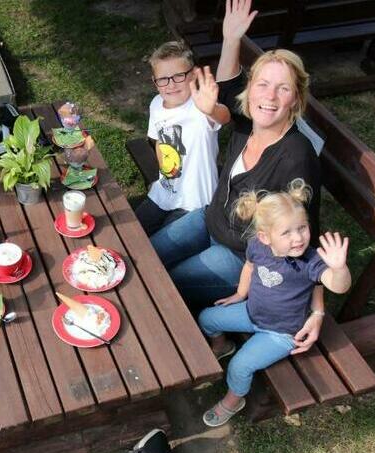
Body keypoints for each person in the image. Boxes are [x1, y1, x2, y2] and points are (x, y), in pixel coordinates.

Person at [149, 0, 326, 354]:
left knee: (163, 284)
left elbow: (302, 236)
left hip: (240, 256)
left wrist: (317, 309)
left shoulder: (296, 156)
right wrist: (231, 39)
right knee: (148, 255)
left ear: (296, 99)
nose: (270, 97)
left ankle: (198, 344)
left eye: (283, 89)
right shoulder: (249, 119)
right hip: (210, 220)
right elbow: (227, 89)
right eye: (262, 85)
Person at [197, 182, 351, 426]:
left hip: (282, 333)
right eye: (287, 232)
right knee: (207, 317)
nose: (298, 238)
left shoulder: (310, 261)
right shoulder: (257, 247)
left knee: (239, 366)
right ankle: (222, 345)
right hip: (252, 312)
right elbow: (249, 267)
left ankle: (233, 400)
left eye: (302, 228)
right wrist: (240, 294)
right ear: (264, 237)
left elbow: (337, 285)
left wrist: (339, 268)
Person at [134, 40, 231, 237]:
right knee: (131, 233)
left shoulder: (200, 108)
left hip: (194, 204)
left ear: (193, 74)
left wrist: (211, 108)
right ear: (154, 81)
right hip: (164, 193)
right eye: (163, 79)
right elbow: (159, 141)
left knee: (156, 248)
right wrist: (163, 177)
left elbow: (223, 116)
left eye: (178, 76)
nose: (170, 85)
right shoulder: (156, 104)